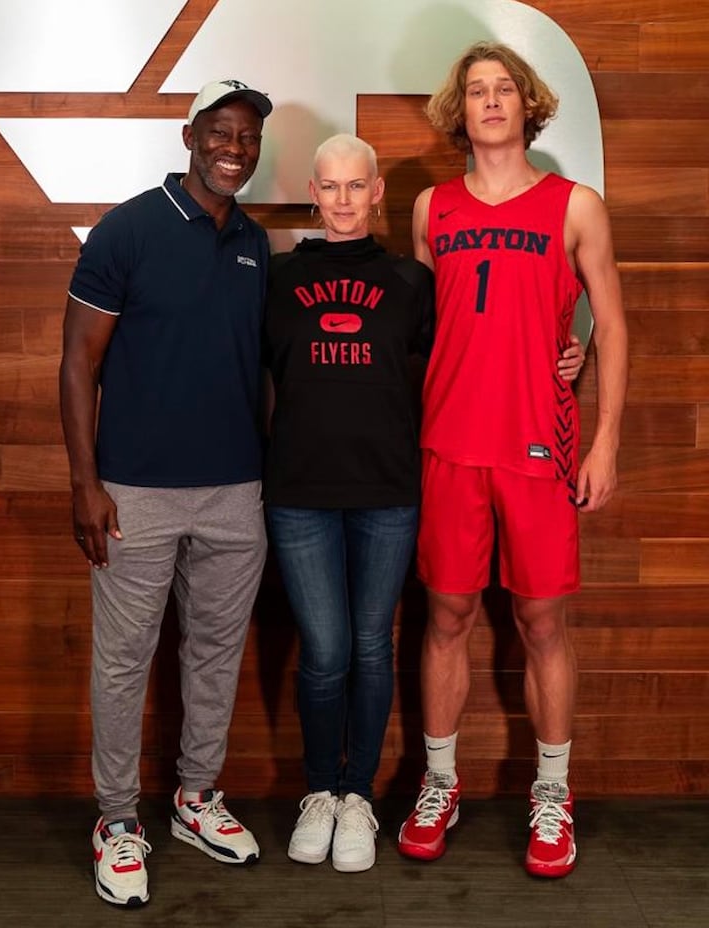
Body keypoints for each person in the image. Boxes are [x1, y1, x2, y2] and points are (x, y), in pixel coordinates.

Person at [265, 134, 585, 874]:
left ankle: (370, 798)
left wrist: (575, 352)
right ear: (313, 193)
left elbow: (488, 332)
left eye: (357, 186)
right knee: (333, 651)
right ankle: (341, 789)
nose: (343, 200)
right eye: (330, 187)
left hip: (398, 484)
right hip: (315, 488)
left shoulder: (413, 280)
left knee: (381, 645)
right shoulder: (278, 278)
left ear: (377, 194)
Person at [396, 41, 627, 879]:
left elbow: (614, 323)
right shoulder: (430, 209)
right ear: (459, 111)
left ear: (528, 105)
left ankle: (553, 797)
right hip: (449, 445)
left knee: (541, 625)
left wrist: (603, 438)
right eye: (476, 91)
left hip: (539, 446)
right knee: (447, 618)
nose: (491, 101)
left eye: (505, 90)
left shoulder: (575, 206)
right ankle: (440, 782)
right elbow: (423, 330)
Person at [61, 79, 273, 908]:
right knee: (122, 665)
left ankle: (194, 799)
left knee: (215, 656)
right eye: (220, 132)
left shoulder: (255, 243)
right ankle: (117, 821)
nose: (234, 148)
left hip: (236, 492)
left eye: (248, 137)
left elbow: (259, 368)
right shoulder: (128, 229)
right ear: (189, 135)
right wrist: (85, 482)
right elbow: (79, 361)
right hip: (133, 493)